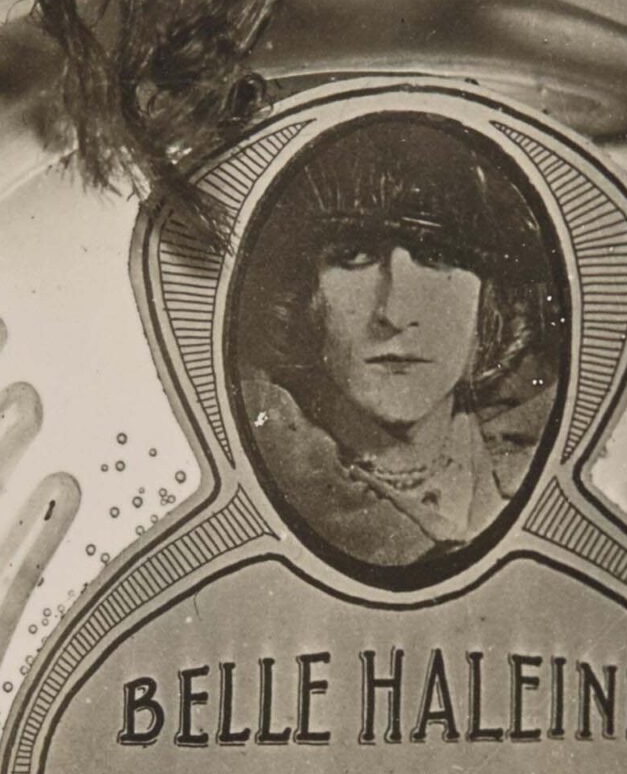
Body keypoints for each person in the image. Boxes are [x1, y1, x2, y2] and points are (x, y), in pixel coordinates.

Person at [233, 117, 564, 573]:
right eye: (354, 257)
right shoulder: (262, 470)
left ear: (491, 300)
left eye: (438, 257)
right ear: (302, 293)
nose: (394, 311)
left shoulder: (543, 459)